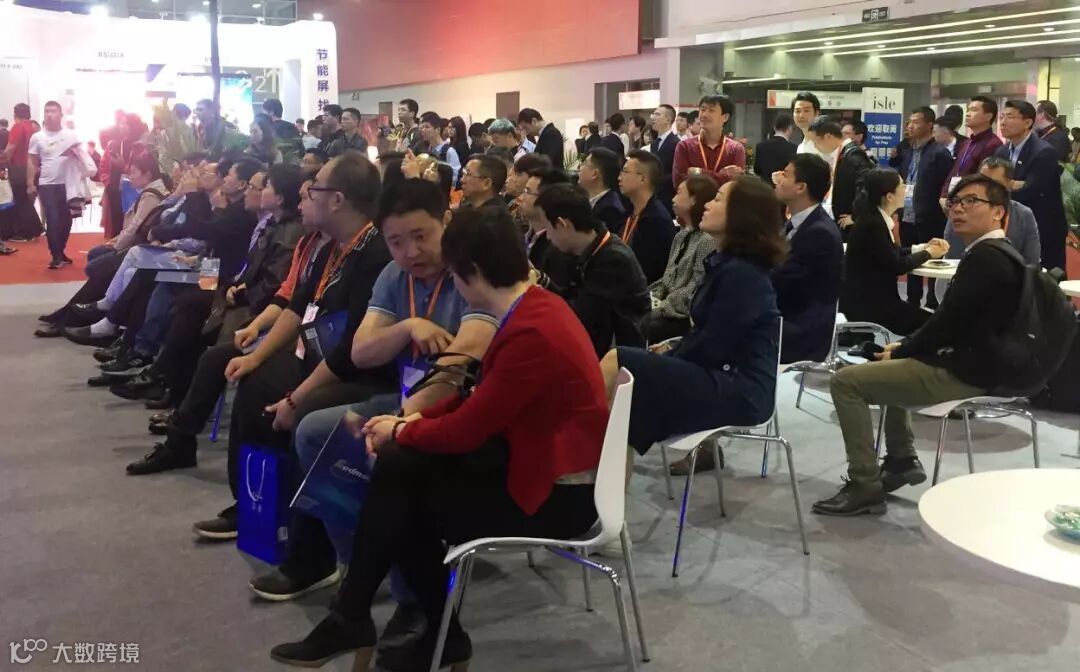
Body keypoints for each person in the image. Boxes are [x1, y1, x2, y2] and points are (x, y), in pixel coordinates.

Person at [270, 205, 606, 671]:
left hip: (560, 492)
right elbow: (477, 402)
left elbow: (470, 426)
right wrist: (403, 427)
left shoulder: (532, 330)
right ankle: (379, 619)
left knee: (405, 495)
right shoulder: (532, 309)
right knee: (399, 469)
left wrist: (402, 428)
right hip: (531, 456)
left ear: (471, 272)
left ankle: (371, 618)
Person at [812, 175, 1026, 516]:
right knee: (887, 365)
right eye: (955, 202)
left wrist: (905, 348)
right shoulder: (995, 253)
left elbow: (946, 326)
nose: (958, 209)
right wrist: (905, 349)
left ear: (999, 212)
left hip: (967, 371)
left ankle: (865, 483)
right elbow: (950, 325)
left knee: (845, 382)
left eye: (971, 202)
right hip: (974, 362)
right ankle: (901, 459)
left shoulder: (987, 260)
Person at [598, 176, 784, 461]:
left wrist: (667, 358)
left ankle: (582, 453)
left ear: (741, 215)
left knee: (620, 360)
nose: (707, 204)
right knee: (625, 389)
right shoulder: (725, 265)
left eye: (718, 199)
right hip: (722, 375)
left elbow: (713, 345)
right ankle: (598, 467)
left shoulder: (742, 274)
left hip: (740, 389)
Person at [532, 183, 649, 356]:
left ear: (563, 224)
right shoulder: (583, 249)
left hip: (618, 352)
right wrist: (541, 280)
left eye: (548, 228)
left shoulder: (612, 259)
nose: (548, 237)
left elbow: (581, 318)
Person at [841, 168, 947, 336]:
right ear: (889, 196)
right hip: (872, 306)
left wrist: (922, 247)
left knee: (934, 322)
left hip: (873, 301)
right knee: (936, 325)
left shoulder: (874, 219)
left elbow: (892, 253)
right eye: (902, 186)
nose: (906, 189)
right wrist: (928, 253)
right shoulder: (872, 225)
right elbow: (897, 265)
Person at [768, 153, 844, 366]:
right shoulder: (795, 223)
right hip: (782, 315)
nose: (778, 179)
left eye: (785, 175)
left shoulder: (819, 233)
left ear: (801, 187)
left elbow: (779, 280)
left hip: (799, 330)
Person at [890, 107, 953, 309]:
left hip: (930, 215)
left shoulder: (940, 153)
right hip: (907, 213)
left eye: (916, 122)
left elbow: (944, 186)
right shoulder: (906, 151)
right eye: (909, 122)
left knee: (933, 258)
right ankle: (912, 302)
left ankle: (933, 302)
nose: (910, 126)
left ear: (929, 125)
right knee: (911, 259)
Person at [644, 173, 718, 343]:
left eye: (679, 193)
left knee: (643, 325)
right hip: (666, 304)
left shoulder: (707, 240)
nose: (673, 199)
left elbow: (695, 288)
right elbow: (667, 278)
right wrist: (647, 296)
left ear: (694, 200)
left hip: (681, 315)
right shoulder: (681, 235)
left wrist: (661, 306)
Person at [994, 99, 1067, 272]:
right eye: (1002, 117)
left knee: (1045, 278)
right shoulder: (1002, 151)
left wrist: (1007, 184)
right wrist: (1014, 184)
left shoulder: (1043, 151)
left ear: (1027, 122)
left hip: (1043, 225)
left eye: (1010, 117)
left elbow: (1032, 190)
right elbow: (993, 183)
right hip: (1010, 223)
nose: (1003, 122)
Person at [941, 158, 1041, 268]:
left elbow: (1031, 261)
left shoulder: (1023, 214)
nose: (986, 188)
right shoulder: (961, 210)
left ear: (1010, 185)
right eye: (981, 181)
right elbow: (952, 256)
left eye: (994, 184)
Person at [28, 100, 83, 269]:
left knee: (67, 220)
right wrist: (30, 183)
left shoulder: (71, 135)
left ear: (61, 114)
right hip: (47, 184)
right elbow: (32, 162)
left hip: (68, 184)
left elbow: (80, 157)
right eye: (46, 111)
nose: (49, 114)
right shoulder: (37, 137)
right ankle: (56, 255)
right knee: (53, 218)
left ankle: (60, 250)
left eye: (53, 111)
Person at [618, 149, 675, 283]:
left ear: (642, 178)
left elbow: (650, 272)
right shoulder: (630, 212)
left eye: (625, 172)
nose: (619, 177)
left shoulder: (656, 220)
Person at [807, 114, 874, 228]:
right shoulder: (838, 154)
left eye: (815, 141)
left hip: (847, 224)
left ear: (828, 136)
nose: (815, 146)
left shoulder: (852, 154)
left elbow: (868, 184)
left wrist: (856, 216)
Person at [673, 94, 747, 189]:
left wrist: (698, 172)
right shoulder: (685, 146)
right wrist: (721, 177)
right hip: (693, 199)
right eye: (702, 110)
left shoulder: (735, 149)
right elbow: (679, 182)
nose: (704, 115)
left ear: (725, 117)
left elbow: (736, 184)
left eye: (711, 110)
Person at [940, 96, 1003, 200]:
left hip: (972, 201)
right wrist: (944, 195)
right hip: (954, 198)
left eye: (974, 110)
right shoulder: (966, 143)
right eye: (968, 110)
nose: (968, 114)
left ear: (988, 116)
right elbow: (954, 172)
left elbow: (983, 179)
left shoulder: (993, 144)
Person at [1, 103, 43, 242]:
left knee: (19, 200)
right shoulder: (33, 127)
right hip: (32, 166)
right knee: (25, 200)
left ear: (15, 114)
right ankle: (35, 229)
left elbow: (10, 149)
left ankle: (28, 232)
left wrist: (2, 159)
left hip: (18, 167)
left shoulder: (18, 127)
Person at [578, 147, 627, 235]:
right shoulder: (592, 201)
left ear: (595, 174)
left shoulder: (609, 210)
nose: (580, 168)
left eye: (584, 163)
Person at [650, 104, 679, 212]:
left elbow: (676, 172)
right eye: (653, 114)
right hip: (653, 194)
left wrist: (657, 181)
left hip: (667, 196)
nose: (653, 118)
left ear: (668, 120)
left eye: (657, 114)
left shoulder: (676, 143)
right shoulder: (654, 144)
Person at [754, 112, 797, 183]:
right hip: (783, 186)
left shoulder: (760, 146)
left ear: (774, 127)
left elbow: (757, 170)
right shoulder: (794, 148)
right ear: (790, 128)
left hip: (765, 186)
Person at [791, 91, 822, 156]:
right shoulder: (800, 148)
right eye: (798, 111)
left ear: (817, 113)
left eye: (806, 110)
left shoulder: (827, 144)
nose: (801, 115)